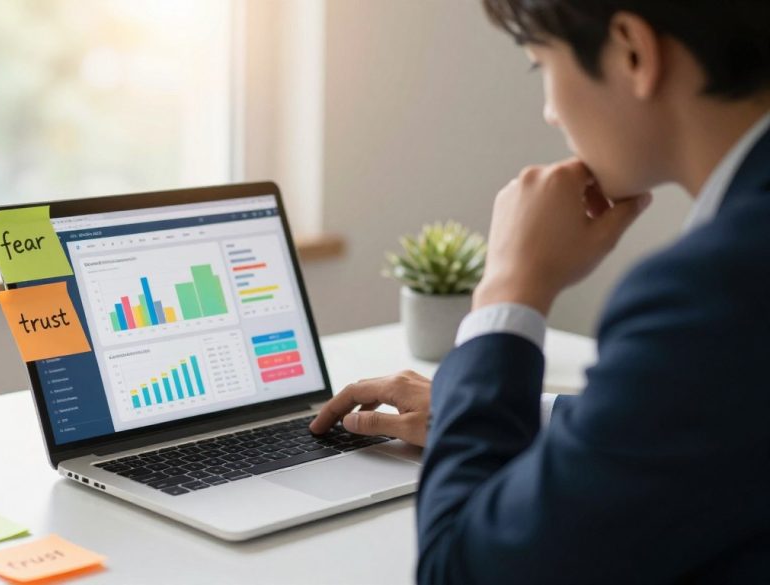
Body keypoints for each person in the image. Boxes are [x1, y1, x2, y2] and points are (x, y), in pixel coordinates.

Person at [309, 0, 770, 582]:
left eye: (540, 66)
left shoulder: (709, 293)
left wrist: (508, 290)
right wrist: (491, 407)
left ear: (633, 51)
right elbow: (714, 414)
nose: (551, 113)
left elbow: (461, 570)